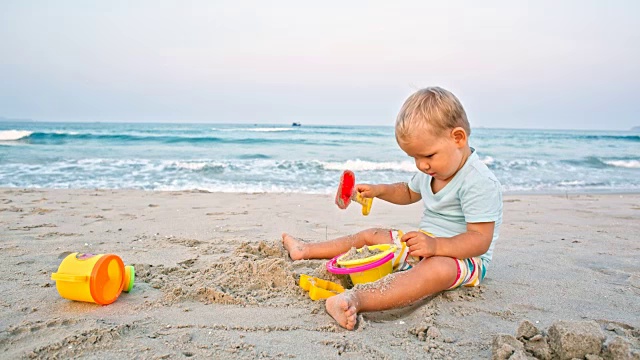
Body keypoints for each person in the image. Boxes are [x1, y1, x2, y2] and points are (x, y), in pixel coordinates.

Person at [282, 87, 503, 330]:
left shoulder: (478, 181)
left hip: (464, 258)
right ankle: (305, 250)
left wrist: (438, 247)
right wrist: (379, 191)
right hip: (427, 243)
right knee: (371, 235)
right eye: (414, 158)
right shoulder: (434, 170)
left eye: (428, 155)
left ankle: (355, 299)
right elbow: (408, 192)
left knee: (437, 269)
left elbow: (480, 239)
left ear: (458, 138)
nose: (422, 165)